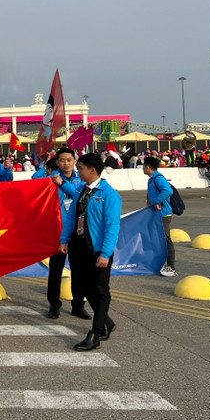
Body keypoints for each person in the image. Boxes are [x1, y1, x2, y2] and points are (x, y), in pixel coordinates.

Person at [56, 153, 121, 351]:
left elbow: (112, 227)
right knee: (82, 286)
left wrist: (105, 253)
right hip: (78, 246)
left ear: (92, 170)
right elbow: (70, 218)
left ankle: (96, 332)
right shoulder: (79, 190)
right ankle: (105, 321)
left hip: (98, 249)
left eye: (81, 167)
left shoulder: (109, 195)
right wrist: (64, 240)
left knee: (100, 290)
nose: (78, 171)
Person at [38, 148, 87, 319]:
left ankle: (78, 305)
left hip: (78, 230)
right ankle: (54, 305)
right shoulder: (48, 179)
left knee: (79, 269)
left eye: (69, 160)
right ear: (57, 162)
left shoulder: (81, 178)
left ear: (75, 161)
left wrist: (62, 184)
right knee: (56, 270)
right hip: (57, 231)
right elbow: (33, 183)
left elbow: (80, 195)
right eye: (62, 160)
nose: (66, 163)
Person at [142, 156, 177, 277]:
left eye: (143, 166)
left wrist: (157, 201)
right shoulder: (151, 179)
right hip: (155, 214)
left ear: (147, 167)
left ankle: (171, 267)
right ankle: (159, 264)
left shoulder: (158, 178)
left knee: (166, 241)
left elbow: (168, 191)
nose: (142, 168)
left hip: (163, 214)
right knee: (156, 240)